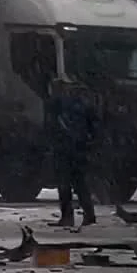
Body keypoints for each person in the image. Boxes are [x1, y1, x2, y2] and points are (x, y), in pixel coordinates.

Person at [48, 76, 99, 228]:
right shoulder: (83, 104)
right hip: (79, 150)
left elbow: (54, 128)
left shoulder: (59, 105)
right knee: (81, 184)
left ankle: (68, 217)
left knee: (65, 185)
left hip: (66, 150)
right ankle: (89, 215)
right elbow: (94, 126)